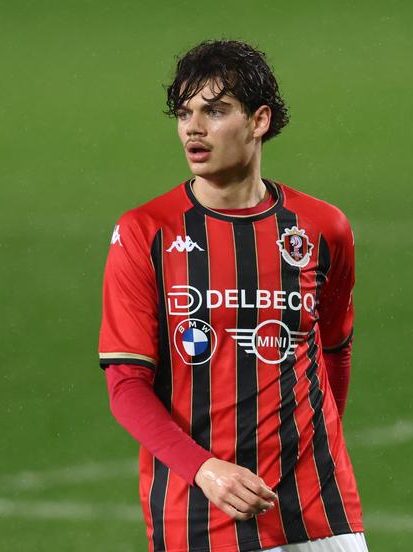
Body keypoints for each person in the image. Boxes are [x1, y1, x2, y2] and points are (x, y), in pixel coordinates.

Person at [99, 39, 366, 552]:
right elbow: (127, 386)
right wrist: (204, 470)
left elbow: (334, 353)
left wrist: (307, 452)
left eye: (215, 111)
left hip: (319, 515)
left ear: (259, 120)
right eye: (184, 113)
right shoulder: (145, 232)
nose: (193, 128)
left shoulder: (322, 229)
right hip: (197, 520)